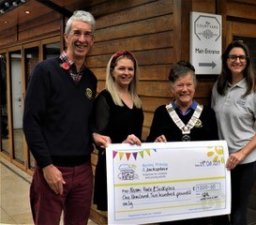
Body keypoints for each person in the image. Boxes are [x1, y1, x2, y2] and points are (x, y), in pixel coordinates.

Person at [23, 10, 97, 225]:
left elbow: (84, 121)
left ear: (92, 40)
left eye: (87, 34)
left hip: (84, 170)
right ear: (66, 36)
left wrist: (96, 136)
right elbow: (31, 121)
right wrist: (46, 166)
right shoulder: (44, 71)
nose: (82, 39)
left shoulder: (90, 79)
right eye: (77, 33)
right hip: (53, 170)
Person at [147, 60, 219, 225]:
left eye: (188, 84)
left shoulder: (207, 114)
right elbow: (151, 145)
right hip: (170, 189)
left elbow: (216, 148)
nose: (184, 89)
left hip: (199, 190)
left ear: (195, 86)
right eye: (180, 85)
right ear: (172, 88)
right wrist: (155, 143)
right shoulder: (161, 113)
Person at [211, 40, 256, 225]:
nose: (237, 60)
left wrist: (241, 153)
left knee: (238, 212)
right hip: (221, 161)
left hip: (246, 162)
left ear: (247, 61)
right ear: (226, 60)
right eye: (233, 57)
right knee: (219, 210)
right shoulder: (218, 88)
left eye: (241, 57)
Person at [92, 50, 144, 212]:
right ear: (112, 71)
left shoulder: (136, 100)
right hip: (113, 168)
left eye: (130, 69)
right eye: (122, 68)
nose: (126, 73)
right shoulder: (104, 99)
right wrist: (120, 145)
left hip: (133, 166)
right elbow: (101, 141)